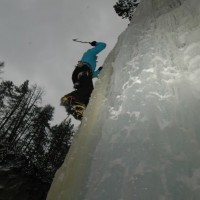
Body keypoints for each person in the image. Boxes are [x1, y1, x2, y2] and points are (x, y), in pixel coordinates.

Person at [60, 41, 106, 119]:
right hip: (83, 70)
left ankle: (79, 109)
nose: (96, 58)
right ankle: (68, 98)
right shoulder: (90, 53)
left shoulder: (90, 63)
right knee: (88, 89)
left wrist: (98, 71)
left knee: (88, 93)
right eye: (96, 57)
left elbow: (90, 76)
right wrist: (96, 43)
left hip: (80, 74)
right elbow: (103, 45)